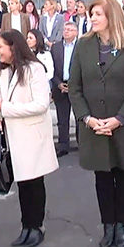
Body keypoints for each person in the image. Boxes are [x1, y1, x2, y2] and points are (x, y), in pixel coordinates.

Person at [68, 0, 124, 247]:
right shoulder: (83, 45)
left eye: (98, 14)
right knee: (102, 177)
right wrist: (87, 118)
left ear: (111, 17)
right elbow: (74, 87)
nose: (92, 18)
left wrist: (119, 119)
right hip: (94, 126)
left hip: (123, 125)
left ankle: (122, 224)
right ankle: (108, 225)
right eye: (91, 14)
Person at [0, 30, 59, 247]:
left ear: (13, 47)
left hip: (32, 137)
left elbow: (41, 104)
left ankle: (37, 226)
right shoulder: (5, 72)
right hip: (15, 138)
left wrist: (7, 110)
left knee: (34, 183)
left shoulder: (34, 69)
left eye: (0, 46)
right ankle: (26, 226)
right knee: (22, 184)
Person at [51, 21, 80, 157]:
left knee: (80, 117)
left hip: (77, 87)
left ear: (76, 32)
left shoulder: (81, 47)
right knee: (62, 119)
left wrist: (74, 84)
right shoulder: (55, 47)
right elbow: (51, 69)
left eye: (69, 29)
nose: (66, 31)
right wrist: (58, 84)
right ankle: (63, 146)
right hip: (60, 86)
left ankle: (82, 144)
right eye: (65, 29)